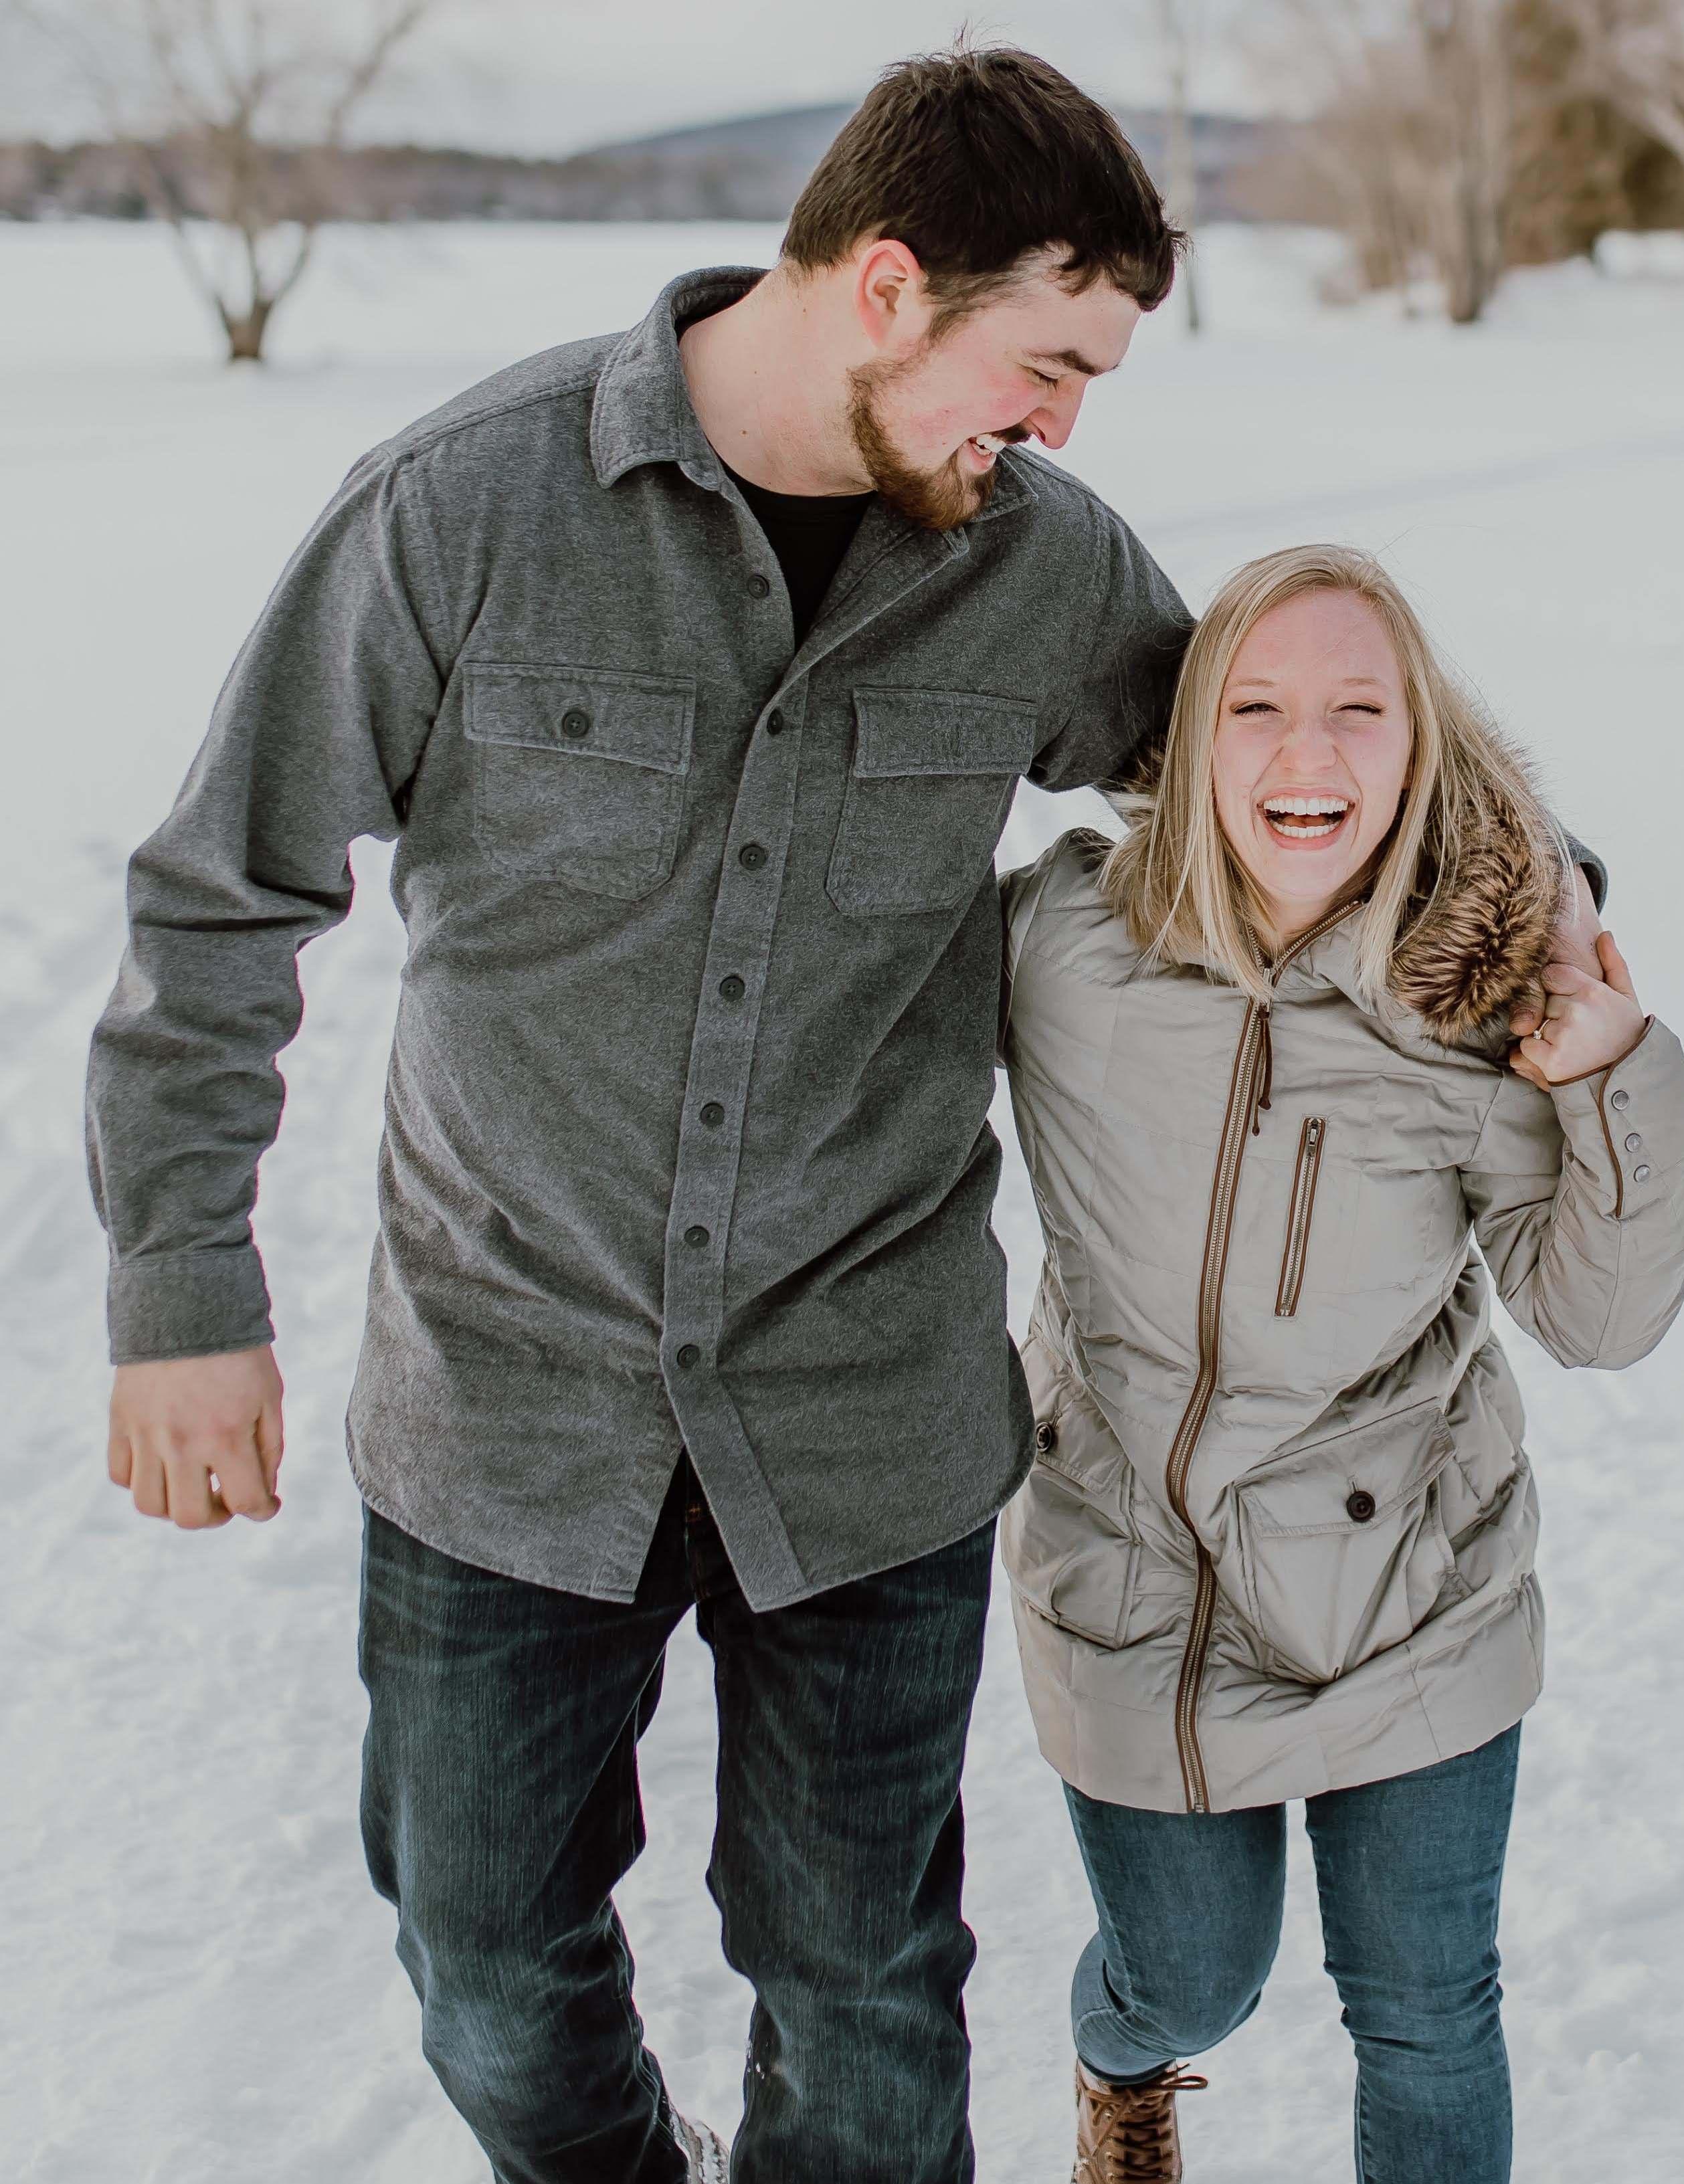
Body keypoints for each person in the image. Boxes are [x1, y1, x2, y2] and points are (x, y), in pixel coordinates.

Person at [85, 49, 1208, 2184]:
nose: (1060, 424)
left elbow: (1275, 779)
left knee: (869, 2007)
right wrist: (175, 1286)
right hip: (507, 1404)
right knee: (488, 1971)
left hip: (862, 1412)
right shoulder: (466, 506)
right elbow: (219, 891)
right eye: (1048, 362)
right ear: (889, 286)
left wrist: (1516, 893)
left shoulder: (1042, 569)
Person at [996, 544, 1684, 2184]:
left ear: (1419, 746)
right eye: (1254, 707)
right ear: (1189, 740)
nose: (1303, 756)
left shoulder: (1481, 1003)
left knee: (1426, 2008)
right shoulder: (1060, 944)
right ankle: (1123, 2068)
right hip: (1138, 1582)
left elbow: (1598, 1317)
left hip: (1410, 1578)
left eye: (1355, 712)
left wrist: (1609, 1079)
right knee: (1189, 1976)